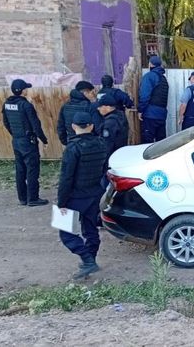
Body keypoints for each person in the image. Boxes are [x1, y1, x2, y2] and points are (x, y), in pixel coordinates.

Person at [57, 112, 109, 279]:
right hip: (94, 194)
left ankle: (87, 260)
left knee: (65, 232)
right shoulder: (101, 143)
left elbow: (66, 178)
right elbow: (103, 170)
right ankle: (91, 260)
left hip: (75, 196)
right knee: (90, 229)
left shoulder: (72, 148)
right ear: (92, 126)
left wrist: (61, 202)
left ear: (73, 127)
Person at [2, 79, 50, 207]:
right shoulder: (26, 105)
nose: (27, 90)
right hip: (28, 142)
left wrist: (15, 135)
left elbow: (6, 123)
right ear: (23, 91)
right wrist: (43, 139)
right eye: (26, 89)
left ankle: (23, 198)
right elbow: (35, 124)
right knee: (32, 169)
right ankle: (33, 198)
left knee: (20, 170)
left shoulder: (7, 104)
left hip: (16, 141)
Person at [57, 80, 102, 145]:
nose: (93, 94)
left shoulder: (65, 106)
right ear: (86, 93)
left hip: (71, 143)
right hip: (89, 144)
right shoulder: (90, 106)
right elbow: (98, 128)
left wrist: (66, 142)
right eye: (92, 92)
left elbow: (60, 127)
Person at [138, 55, 169, 143]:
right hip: (162, 115)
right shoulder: (163, 79)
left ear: (150, 64)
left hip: (150, 114)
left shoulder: (149, 76)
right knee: (161, 144)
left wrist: (140, 110)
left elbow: (144, 95)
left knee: (147, 143)